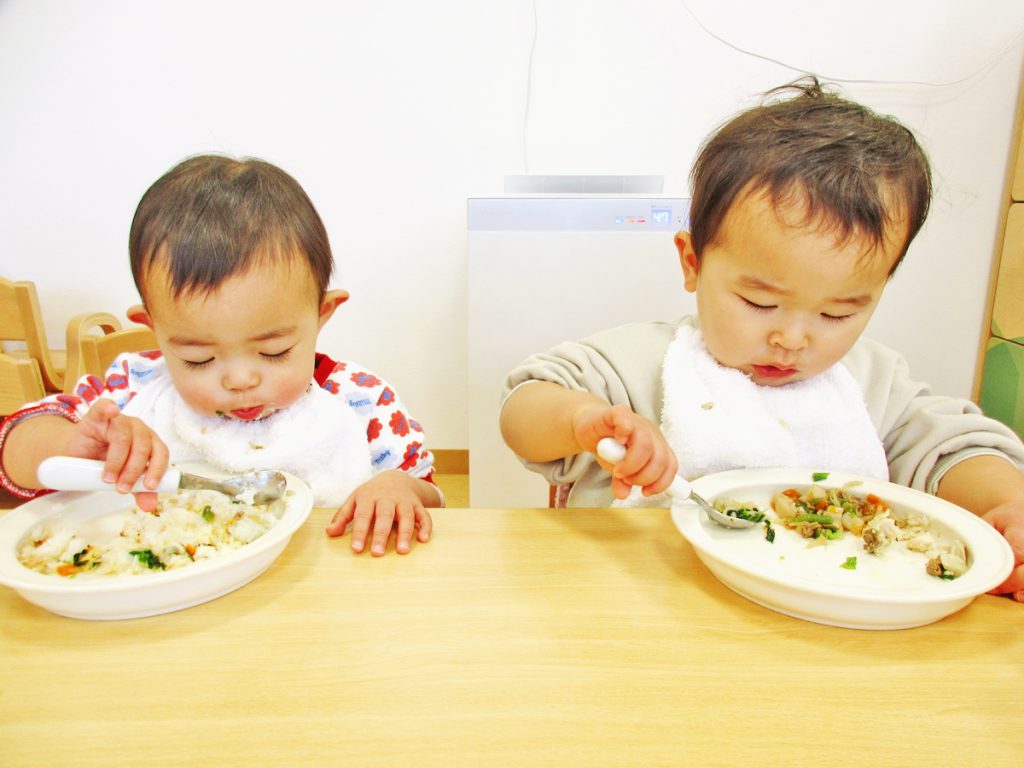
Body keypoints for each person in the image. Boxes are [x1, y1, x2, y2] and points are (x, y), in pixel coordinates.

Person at [499, 78, 1024, 599]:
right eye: (760, 304)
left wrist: (1005, 505)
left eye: (838, 312)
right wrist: (581, 420)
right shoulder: (641, 365)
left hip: (831, 620)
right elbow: (523, 408)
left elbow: (953, 448)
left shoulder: (868, 383)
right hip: (641, 613)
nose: (792, 338)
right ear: (693, 263)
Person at [0, 154, 440, 557]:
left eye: (274, 351)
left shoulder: (361, 401)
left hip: (319, 602)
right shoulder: (129, 391)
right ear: (153, 328)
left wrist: (397, 487)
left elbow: (426, 489)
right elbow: (12, 449)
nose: (240, 380)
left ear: (322, 314)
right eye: (199, 359)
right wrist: (72, 445)